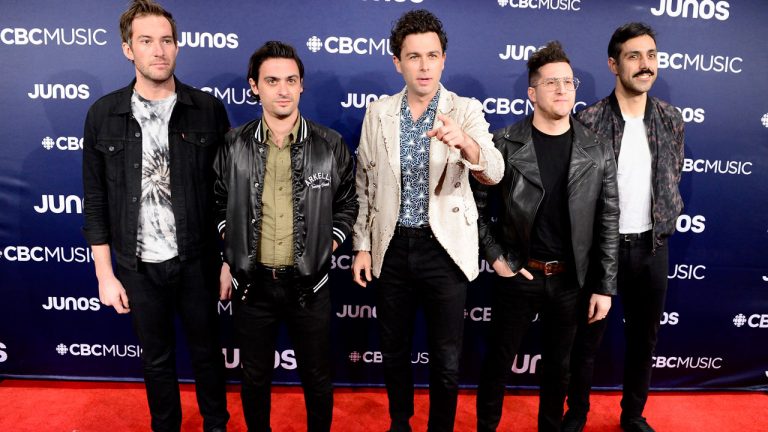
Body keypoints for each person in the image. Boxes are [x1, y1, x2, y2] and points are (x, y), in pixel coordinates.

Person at [351, 9, 504, 432]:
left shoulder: (464, 109)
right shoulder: (378, 113)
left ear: (443, 60)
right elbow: (365, 184)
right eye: (413, 56)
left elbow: (494, 171)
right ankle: (400, 422)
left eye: (432, 55)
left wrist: (466, 143)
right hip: (393, 247)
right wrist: (362, 245)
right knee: (393, 349)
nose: (424, 66)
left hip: (446, 250)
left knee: (447, 358)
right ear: (397, 62)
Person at [81, 1, 230, 431]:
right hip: (138, 266)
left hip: (198, 261)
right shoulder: (103, 115)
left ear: (177, 46)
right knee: (156, 360)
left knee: (208, 355)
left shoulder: (207, 109)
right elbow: (95, 200)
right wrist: (105, 275)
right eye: (146, 41)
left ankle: (216, 425)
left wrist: (228, 261)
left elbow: (228, 195)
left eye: (166, 40)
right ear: (128, 49)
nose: (159, 50)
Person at [473, 41, 619, 432]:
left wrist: (604, 286)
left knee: (559, 368)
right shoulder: (504, 143)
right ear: (532, 93)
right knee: (498, 362)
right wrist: (497, 258)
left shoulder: (597, 149)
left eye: (568, 82)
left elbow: (608, 220)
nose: (562, 89)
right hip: (520, 273)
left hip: (571, 280)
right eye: (551, 82)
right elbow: (474, 209)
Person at [213, 40, 358, 432]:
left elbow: (348, 202)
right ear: (254, 86)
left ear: (301, 86)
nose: (283, 89)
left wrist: (327, 244)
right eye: (272, 80)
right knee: (254, 378)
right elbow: (218, 201)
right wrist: (232, 247)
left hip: (310, 285)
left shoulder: (329, 144)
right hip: (251, 285)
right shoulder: (233, 143)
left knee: (317, 377)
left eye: (291, 80)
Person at [562, 22, 685, 432]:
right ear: (614, 65)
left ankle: (633, 415)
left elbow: (672, 177)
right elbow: (578, 193)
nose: (645, 64)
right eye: (634, 56)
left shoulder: (671, 119)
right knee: (586, 341)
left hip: (652, 248)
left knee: (644, 340)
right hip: (602, 250)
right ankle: (575, 415)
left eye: (651, 55)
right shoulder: (590, 120)